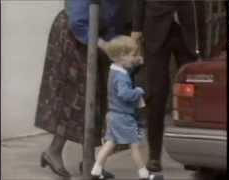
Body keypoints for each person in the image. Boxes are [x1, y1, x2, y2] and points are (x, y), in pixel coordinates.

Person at [35, 0, 131, 178]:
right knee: (76, 96)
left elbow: (115, 18)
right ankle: (55, 151)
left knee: (96, 95)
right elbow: (78, 21)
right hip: (74, 33)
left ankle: (90, 161)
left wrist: (116, 48)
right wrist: (103, 44)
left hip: (96, 35)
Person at [131, 0, 199, 172]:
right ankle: (154, 156)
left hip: (185, 27)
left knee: (192, 95)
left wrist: (201, 42)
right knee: (156, 94)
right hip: (155, 28)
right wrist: (136, 29)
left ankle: (191, 155)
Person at [90, 36, 163, 180]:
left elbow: (127, 67)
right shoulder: (122, 77)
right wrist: (138, 91)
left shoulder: (115, 70)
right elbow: (124, 93)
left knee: (110, 143)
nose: (135, 57)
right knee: (135, 146)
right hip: (123, 117)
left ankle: (96, 171)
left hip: (113, 115)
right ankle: (144, 175)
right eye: (133, 55)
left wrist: (135, 62)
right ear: (122, 56)